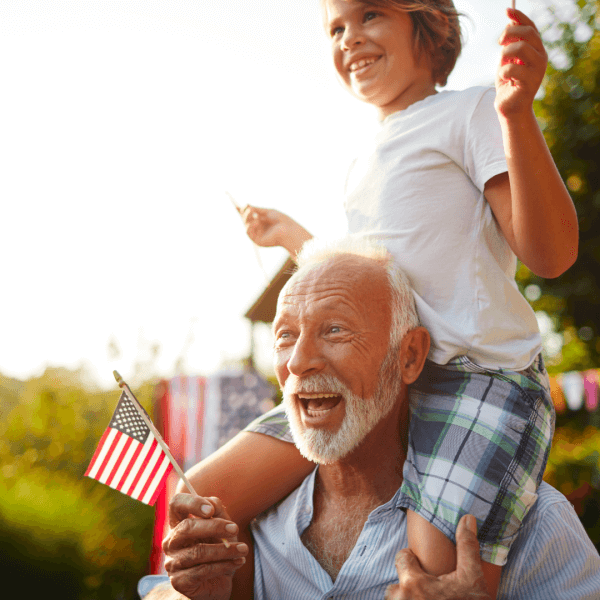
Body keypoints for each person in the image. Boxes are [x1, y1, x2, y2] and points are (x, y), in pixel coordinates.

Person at [182, 1, 579, 597]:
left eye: (369, 15)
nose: (349, 38)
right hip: (384, 373)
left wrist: (516, 114)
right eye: (335, 28)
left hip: (478, 377)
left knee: (435, 570)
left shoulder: (471, 111)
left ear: (429, 25)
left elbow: (549, 254)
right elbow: (364, 282)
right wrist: (290, 235)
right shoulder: (363, 158)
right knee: (204, 496)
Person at [139, 239, 600, 600]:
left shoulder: (531, 523)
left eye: (335, 329)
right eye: (285, 336)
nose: (298, 362)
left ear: (410, 356)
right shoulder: (241, 526)